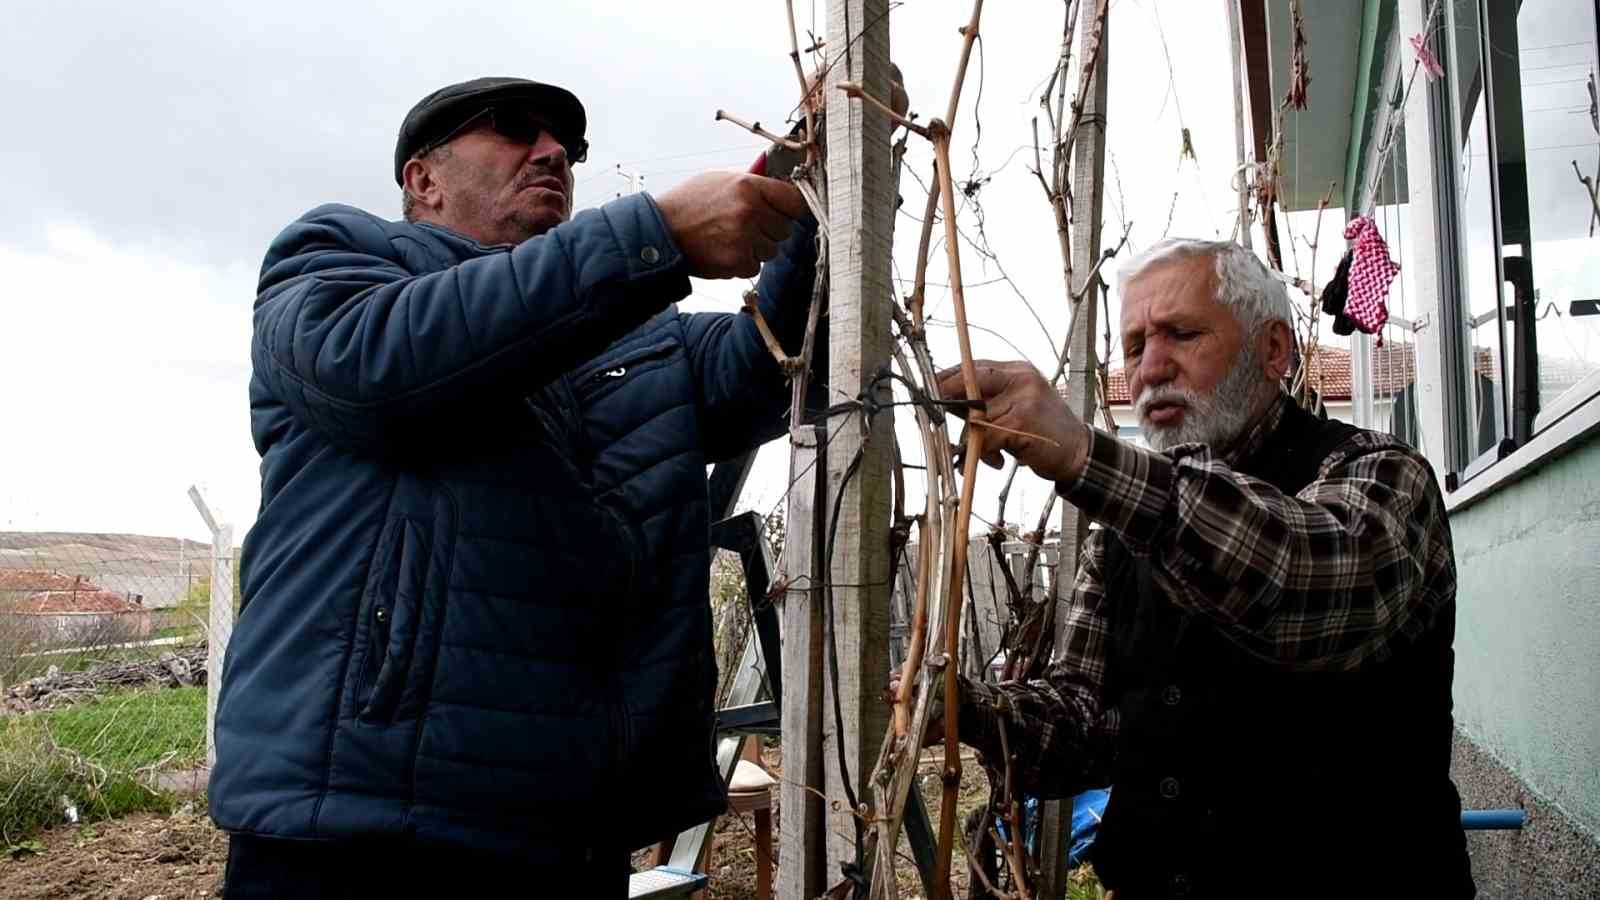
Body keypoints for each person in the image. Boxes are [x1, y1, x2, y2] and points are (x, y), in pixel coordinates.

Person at [208, 75, 823, 899]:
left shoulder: (636, 335)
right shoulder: (339, 261)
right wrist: (657, 234)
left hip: (565, 832)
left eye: (567, 148)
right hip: (358, 828)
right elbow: (375, 374)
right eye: (513, 130)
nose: (553, 154)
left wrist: (823, 185)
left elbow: (780, 362)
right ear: (421, 180)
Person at [915, 238, 1474, 898]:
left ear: (1274, 351)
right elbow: (1082, 725)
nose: (1150, 368)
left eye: (1180, 334)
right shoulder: (1123, 530)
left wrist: (1081, 455)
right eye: (1133, 347)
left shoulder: (1380, 475)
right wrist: (962, 708)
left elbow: (1302, 582)